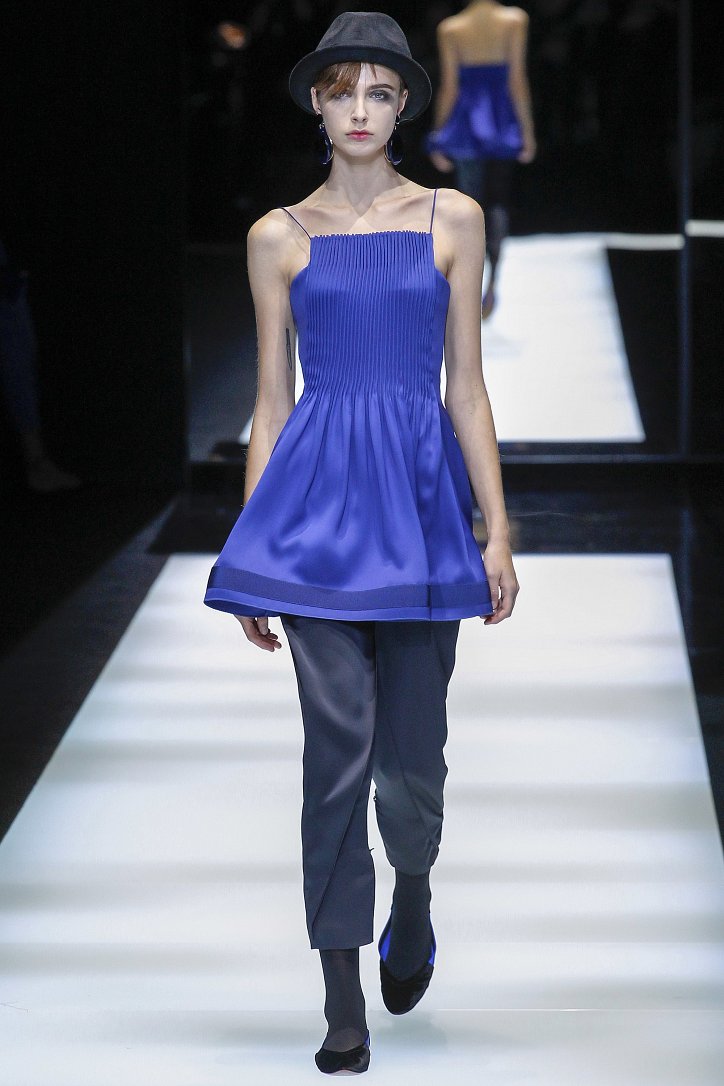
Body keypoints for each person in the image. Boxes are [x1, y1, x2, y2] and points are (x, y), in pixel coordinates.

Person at [203, 11, 519, 1075]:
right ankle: (342, 997)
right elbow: (270, 400)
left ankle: (413, 894)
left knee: (411, 761)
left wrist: (497, 530)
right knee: (334, 762)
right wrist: (253, 546)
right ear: (317, 103)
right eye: (343, 93)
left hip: (422, 514)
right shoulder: (277, 236)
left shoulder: (451, 217)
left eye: (379, 94)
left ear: (402, 107)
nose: (360, 111)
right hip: (315, 524)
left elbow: (467, 389)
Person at [426, 0, 537, 319]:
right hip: (501, 120)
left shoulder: (452, 28)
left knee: (468, 206)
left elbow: (449, 87)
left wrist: (438, 135)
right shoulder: (514, 20)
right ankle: (493, 284)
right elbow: (517, 80)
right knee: (498, 201)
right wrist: (527, 131)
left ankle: (469, 287)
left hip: (467, 122)